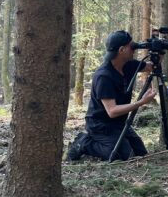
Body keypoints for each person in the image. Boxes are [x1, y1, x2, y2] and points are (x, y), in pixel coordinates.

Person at [67, 30, 157, 161]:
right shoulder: (104, 76)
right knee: (119, 155)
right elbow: (112, 111)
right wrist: (141, 102)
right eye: (131, 46)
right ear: (121, 50)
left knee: (140, 153)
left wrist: (158, 51)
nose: (134, 49)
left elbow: (151, 67)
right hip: (101, 126)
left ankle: (115, 142)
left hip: (119, 123)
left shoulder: (128, 65)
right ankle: (84, 143)